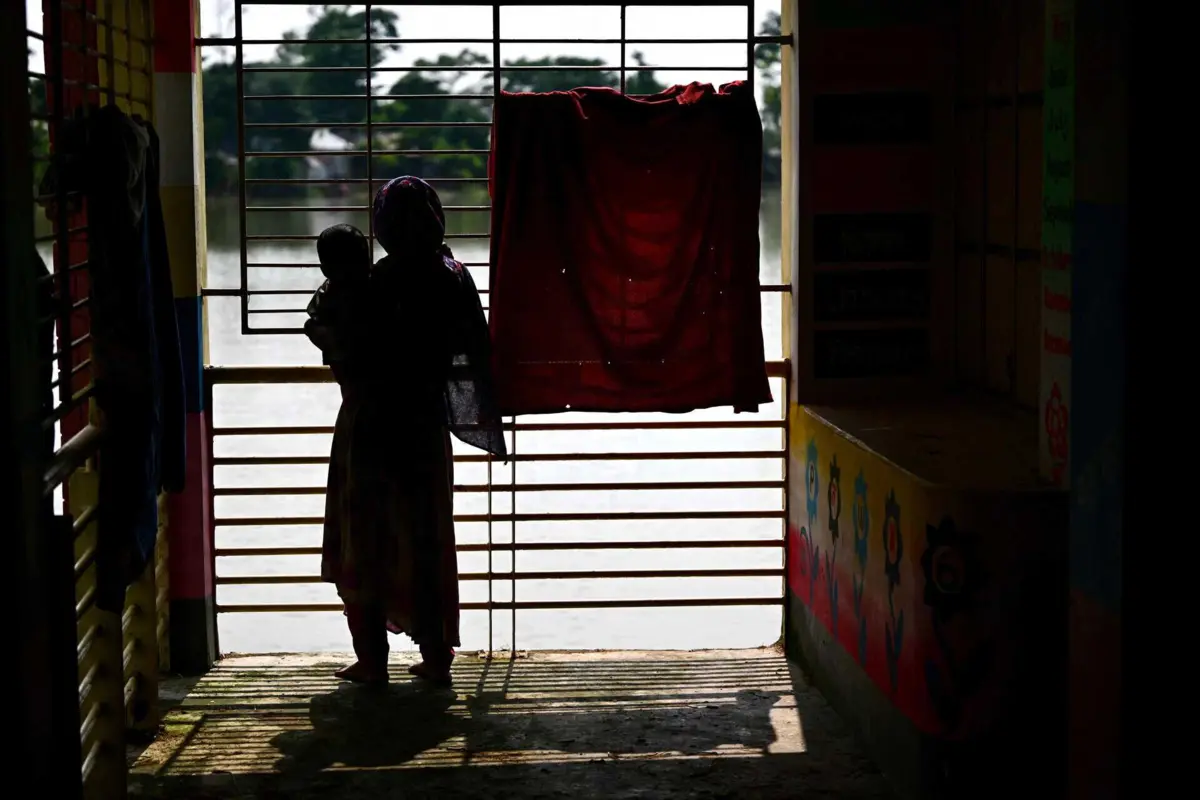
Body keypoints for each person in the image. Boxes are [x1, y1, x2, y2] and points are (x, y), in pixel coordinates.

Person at [320, 176, 507, 686]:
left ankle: (373, 661)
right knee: (426, 536)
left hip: (369, 428)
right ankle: (436, 656)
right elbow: (472, 350)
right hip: (424, 426)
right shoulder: (454, 277)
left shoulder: (372, 282)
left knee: (367, 537)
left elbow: (338, 344)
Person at [304, 223, 372, 392]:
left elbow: (313, 319)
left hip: (353, 380)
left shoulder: (327, 297)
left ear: (325, 269)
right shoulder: (380, 286)